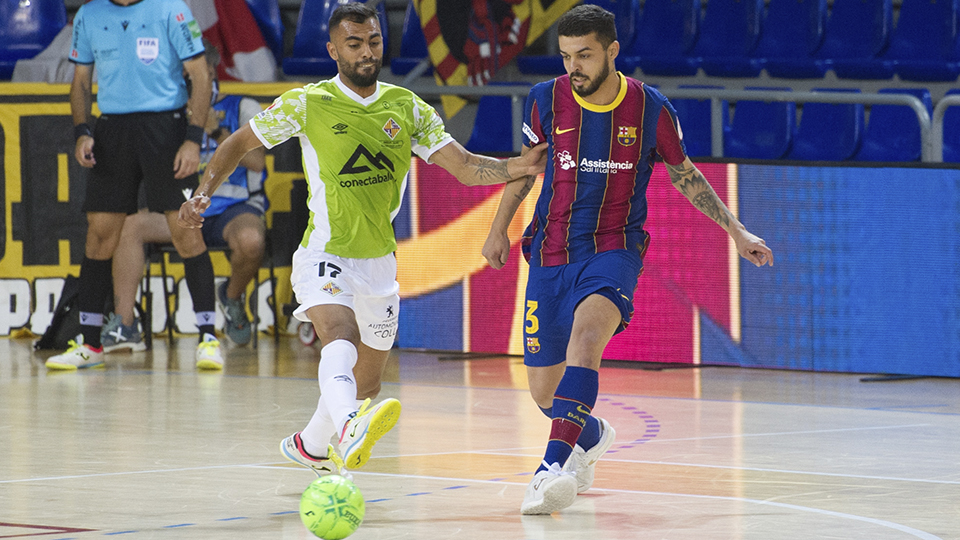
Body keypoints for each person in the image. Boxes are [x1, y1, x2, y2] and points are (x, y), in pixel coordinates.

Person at [178, 3, 545, 475]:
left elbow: (465, 165)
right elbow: (236, 144)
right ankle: (351, 422)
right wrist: (202, 196)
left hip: (379, 264)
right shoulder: (307, 103)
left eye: (373, 41)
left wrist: (516, 167)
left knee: (366, 382)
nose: (366, 51)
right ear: (333, 50)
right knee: (341, 338)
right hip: (325, 253)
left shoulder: (407, 106)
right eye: (354, 43)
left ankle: (312, 444)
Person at [481, 5, 775, 515]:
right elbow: (527, 170)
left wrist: (735, 229)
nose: (575, 67)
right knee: (545, 393)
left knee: (587, 338)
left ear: (612, 51)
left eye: (586, 55)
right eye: (567, 56)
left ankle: (549, 468)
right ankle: (589, 435)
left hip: (613, 249)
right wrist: (497, 230)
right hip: (549, 252)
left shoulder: (650, 109)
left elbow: (685, 175)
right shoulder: (543, 99)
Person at [45, 0, 224, 370]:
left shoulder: (171, 9)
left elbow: (201, 75)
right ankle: (90, 344)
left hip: (166, 128)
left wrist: (192, 139)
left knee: (186, 230)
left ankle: (208, 337)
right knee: (100, 235)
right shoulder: (89, 14)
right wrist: (82, 132)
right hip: (112, 130)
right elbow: (79, 82)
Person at [101, 39, 268, 352]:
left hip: (234, 207)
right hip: (184, 208)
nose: (188, 74)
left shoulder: (242, 106)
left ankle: (231, 297)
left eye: (195, 67)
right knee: (130, 227)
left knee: (251, 241)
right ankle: (125, 325)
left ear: (209, 69)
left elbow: (257, 162)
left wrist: (215, 130)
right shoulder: (169, 111)